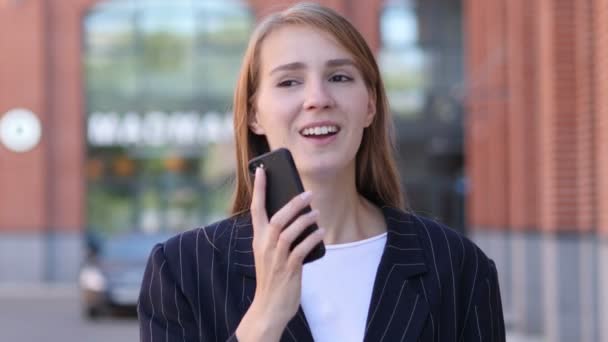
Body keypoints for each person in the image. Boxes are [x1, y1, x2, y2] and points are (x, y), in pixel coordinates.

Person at [137, 3, 505, 341]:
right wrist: (266, 313)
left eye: (340, 77)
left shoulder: (459, 267)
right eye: (289, 82)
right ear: (254, 115)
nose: (318, 98)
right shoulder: (182, 270)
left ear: (370, 105)